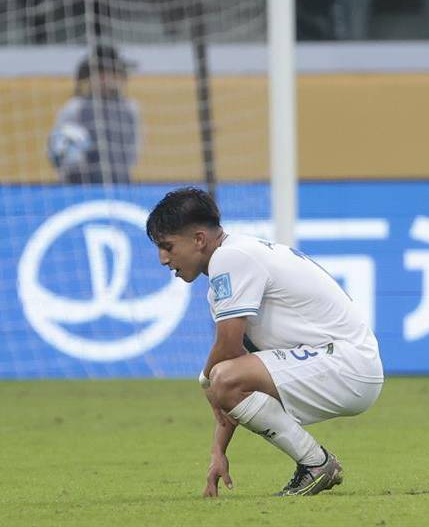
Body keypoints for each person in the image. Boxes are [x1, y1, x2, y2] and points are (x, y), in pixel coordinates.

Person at [145, 188, 384, 497]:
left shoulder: (231, 258)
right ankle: (315, 463)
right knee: (226, 378)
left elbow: (227, 357)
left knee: (222, 377)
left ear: (199, 240)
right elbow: (237, 373)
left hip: (345, 363)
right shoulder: (234, 261)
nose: (163, 259)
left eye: (167, 246)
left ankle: (315, 464)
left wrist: (205, 381)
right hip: (343, 363)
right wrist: (218, 451)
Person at [47, 44, 140, 184]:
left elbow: (133, 152)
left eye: (114, 73)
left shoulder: (129, 108)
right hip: (79, 185)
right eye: (103, 73)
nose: (108, 79)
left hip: (120, 182)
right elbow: (57, 148)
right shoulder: (75, 107)